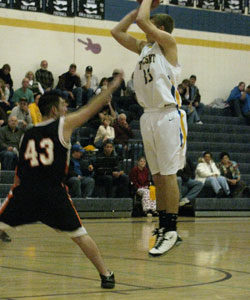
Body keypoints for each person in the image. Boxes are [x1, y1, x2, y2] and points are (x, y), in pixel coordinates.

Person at [0, 75, 123, 288]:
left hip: (26, 192)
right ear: (55, 110)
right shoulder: (62, 126)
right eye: (64, 105)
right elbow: (89, 110)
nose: (66, 109)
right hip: (52, 193)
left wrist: (15, 197)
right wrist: (110, 88)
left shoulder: (26, 134)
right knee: (80, 235)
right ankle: (106, 274)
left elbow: (20, 173)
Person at [111, 0, 187, 256]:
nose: (145, 27)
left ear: (161, 27)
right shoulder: (145, 48)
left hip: (167, 114)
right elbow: (116, 33)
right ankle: (164, 228)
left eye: (151, 25)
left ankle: (172, 228)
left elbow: (143, 21)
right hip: (148, 115)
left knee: (168, 174)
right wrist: (135, 12)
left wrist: (146, 3)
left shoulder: (168, 44)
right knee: (158, 176)